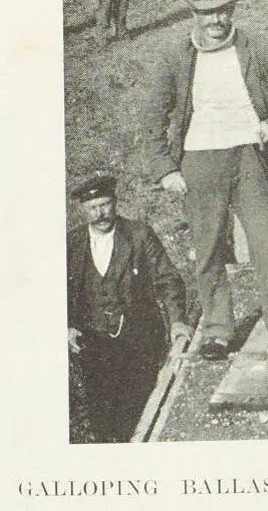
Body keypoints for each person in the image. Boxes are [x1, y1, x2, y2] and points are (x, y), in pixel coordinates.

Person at [145, 0, 268, 366]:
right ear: (194, 15)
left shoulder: (252, 45)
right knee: (207, 252)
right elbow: (153, 116)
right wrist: (165, 169)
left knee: (267, 249)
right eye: (207, 13)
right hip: (199, 161)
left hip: (248, 158)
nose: (215, 19)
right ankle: (219, 331)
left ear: (232, 10)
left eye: (222, 10)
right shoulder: (176, 57)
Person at [67, 173, 191, 442]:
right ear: (82, 210)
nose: (101, 213)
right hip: (93, 343)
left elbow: (168, 279)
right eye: (93, 208)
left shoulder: (137, 234)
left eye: (106, 204)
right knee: (101, 413)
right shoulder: (72, 243)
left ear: (115, 202)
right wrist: (67, 326)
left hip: (139, 339)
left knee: (138, 410)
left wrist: (178, 321)